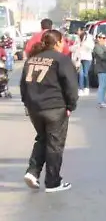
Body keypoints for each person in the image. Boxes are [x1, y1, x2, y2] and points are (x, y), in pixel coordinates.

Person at [21, 30, 78, 192]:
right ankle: (53, 182)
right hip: (54, 107)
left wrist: (27, 103)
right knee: (55, 144)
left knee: (42, 138)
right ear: (59, 42)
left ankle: (32, 172)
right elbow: (71, 86)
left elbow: (23, 85)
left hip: (34, 108)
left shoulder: (32, 59)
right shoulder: (61, 59)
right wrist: (70, 106)